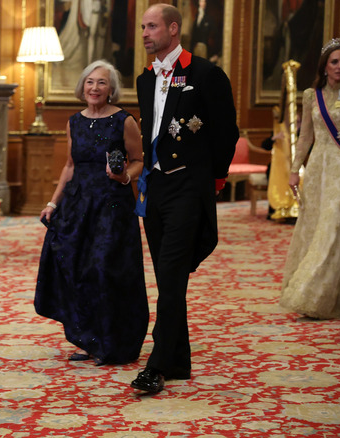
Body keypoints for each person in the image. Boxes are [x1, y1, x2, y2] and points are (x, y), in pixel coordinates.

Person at [131, 4, 238, 394]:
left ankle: (156, 366)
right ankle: (178, 360)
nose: (144, 32)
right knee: (167, 278)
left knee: (173, 276)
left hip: (189, 188)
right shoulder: (145, 79)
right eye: (143, 26)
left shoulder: (205, 73)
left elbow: (227, 130)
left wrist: (214, 179)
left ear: (173, 29)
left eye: (152, 26)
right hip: (156, 188)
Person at [35, 60, 148, 367]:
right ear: (82, 86)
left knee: (105, 269)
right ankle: (87, 340)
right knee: (77, 270)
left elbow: (138, 160)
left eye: (101, 83)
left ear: (111, 89)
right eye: (89, 82)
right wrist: (53, 203)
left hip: (112, 205)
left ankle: (113, 341)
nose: (94, 88)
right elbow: (70, 166)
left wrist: (125, 177)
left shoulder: (124, 120)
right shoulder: (74, 121)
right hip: (77, 204)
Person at [280, 37, 340, 319]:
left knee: (334, 225)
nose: (339, 66)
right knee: (315, 226)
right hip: (316, 169)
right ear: (325, 66)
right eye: (334, 62)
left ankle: (313, 293)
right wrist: (293, 169)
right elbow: (305, 137)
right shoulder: (311, 96)